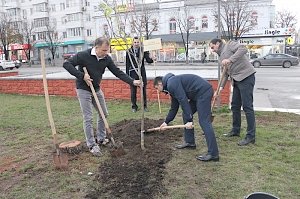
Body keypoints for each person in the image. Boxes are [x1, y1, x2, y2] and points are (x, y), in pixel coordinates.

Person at [63, 37, 141, 156]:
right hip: (83, 89)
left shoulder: (106, 59)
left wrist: (132, 81)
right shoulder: (83, 55)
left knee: (104, 113)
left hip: (96, 88)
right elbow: (67, 64)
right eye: (104, 50)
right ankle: (91, 145)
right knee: (88, 117)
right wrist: (82, 76)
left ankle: (101, 138)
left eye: (107, 50)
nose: (106, 53)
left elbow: (117, 72)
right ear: (96, 47)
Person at [154, 73, 219, 162]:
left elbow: (183, 100)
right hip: (197, 94)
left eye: (157, 88)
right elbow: (174, 107)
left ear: (160, 84)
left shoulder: (172, 84)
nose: (158, 91)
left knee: (204, 121)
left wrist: (189, 120)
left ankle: (213, 154)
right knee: (186, 114)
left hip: (203, 92)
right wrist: (166, 122)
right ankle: (190, 142)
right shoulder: (171, 85)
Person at [209, 38, 256, 146]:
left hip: (246, 77)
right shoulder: (220, 58)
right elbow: (225, 74)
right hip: (237, 81)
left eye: (213, 47)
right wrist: (219, 89)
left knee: (247, 107)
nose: (212, 50)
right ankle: (236, 130)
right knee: (235, 106)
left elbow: (243, 49)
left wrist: (230, 60)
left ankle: (250, 136)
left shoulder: (229, 45)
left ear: (218, 43)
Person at [126, 37, 153, 112]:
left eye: (138, 42)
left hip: (141, 73)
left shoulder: (143, 50)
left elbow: (149, 60)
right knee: (133, 92)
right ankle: (134, 107)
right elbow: (127, 64)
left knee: (143, 91)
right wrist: (127, 77)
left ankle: (144, 106)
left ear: (140, 43)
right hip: (132, 73)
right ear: (132, 43)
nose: (136, 44)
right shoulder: (129, 51)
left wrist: (152, 58)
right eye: (135, 42)